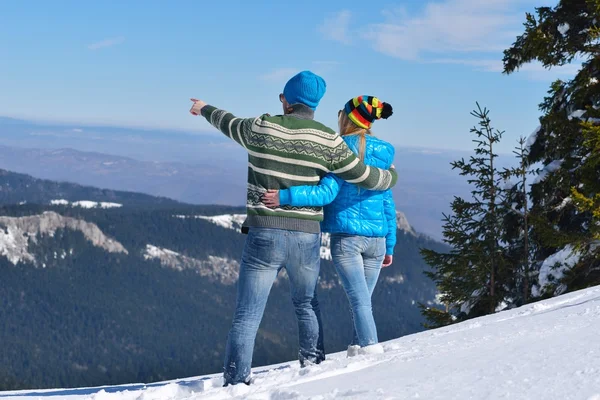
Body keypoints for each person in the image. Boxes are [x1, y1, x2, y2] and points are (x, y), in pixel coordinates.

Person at [188, 72, 398, 386]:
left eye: (282, 97)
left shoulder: (260, 127)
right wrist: (391, 178)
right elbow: (364, 176)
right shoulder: (328, 138)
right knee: (306, 303)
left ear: (286, 100)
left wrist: (203, 108)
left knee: (248, 312)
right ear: (315, 105)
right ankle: (311, 368)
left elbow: (227, 121)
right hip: (306, 236)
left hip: (264, 233)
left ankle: (235, 380)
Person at [263, 95, 397, 356]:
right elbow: (388, 203)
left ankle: (371, 353)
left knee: (360, 302)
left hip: (347, 239)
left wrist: (284, 197)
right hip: (377, 240)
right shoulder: (384, 154)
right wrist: (390, 243)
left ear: (346, 119)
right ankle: (357, 350)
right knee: (363, 302)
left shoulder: (338, 150)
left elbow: (324, 194)